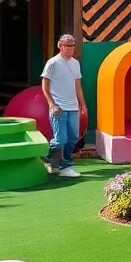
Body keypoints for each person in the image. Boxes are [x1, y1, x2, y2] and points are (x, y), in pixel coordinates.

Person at [41, 34, 87, 178]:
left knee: (73, 137)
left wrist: (83, 105)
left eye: (73, 45)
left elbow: (78, 86)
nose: (70, 48)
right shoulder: (53, 63)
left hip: (73, 107)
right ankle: (47, 158)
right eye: (67, 45)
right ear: (60, 46)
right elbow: (45, 85)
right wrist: (52, 104)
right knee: (60, 139)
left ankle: (64, 166)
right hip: (58, 107)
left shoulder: (75, 63)